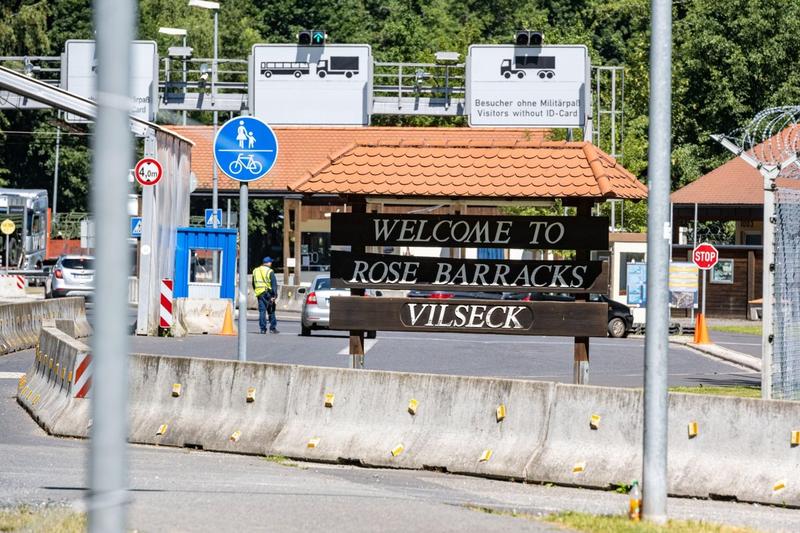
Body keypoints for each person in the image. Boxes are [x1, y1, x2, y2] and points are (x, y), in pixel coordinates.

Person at [252, 256, 279, 334]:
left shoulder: (255, 270)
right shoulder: (270, 271)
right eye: (270, 262)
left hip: (259, 293)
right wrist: (274, 295)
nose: (271, 263)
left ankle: (263, 329)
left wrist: (257, 291)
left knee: (262, 311)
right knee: (271, 310)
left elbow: (254, 283)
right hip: (268, 293)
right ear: (268, 263)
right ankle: (272, 328)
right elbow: (274, 284)